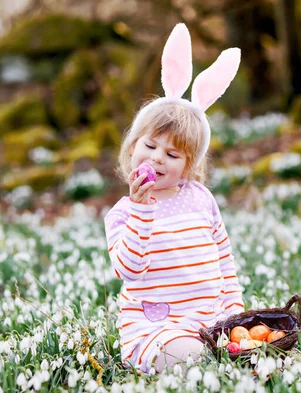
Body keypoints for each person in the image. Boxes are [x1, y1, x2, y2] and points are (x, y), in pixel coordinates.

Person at [104, 23, 245, 374]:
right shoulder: (122, 214)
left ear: (189, 165)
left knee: (251, 348)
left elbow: (223, 260)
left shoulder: (202, 200)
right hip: (156, 331)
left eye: (172, 154)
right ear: (133, 146)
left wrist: (234, 312)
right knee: (193, 361)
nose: (156, 158)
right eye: (150, 146)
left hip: (211, 322)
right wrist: (141, 211)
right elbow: (129, 270)